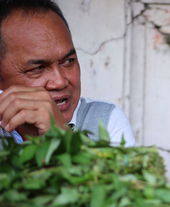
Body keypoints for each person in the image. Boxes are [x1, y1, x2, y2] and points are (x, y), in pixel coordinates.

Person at [0, 0, 135, 146]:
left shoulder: (105, 120)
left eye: (68, 61)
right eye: (38, 68)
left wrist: (61, 138)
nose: (60, 81)